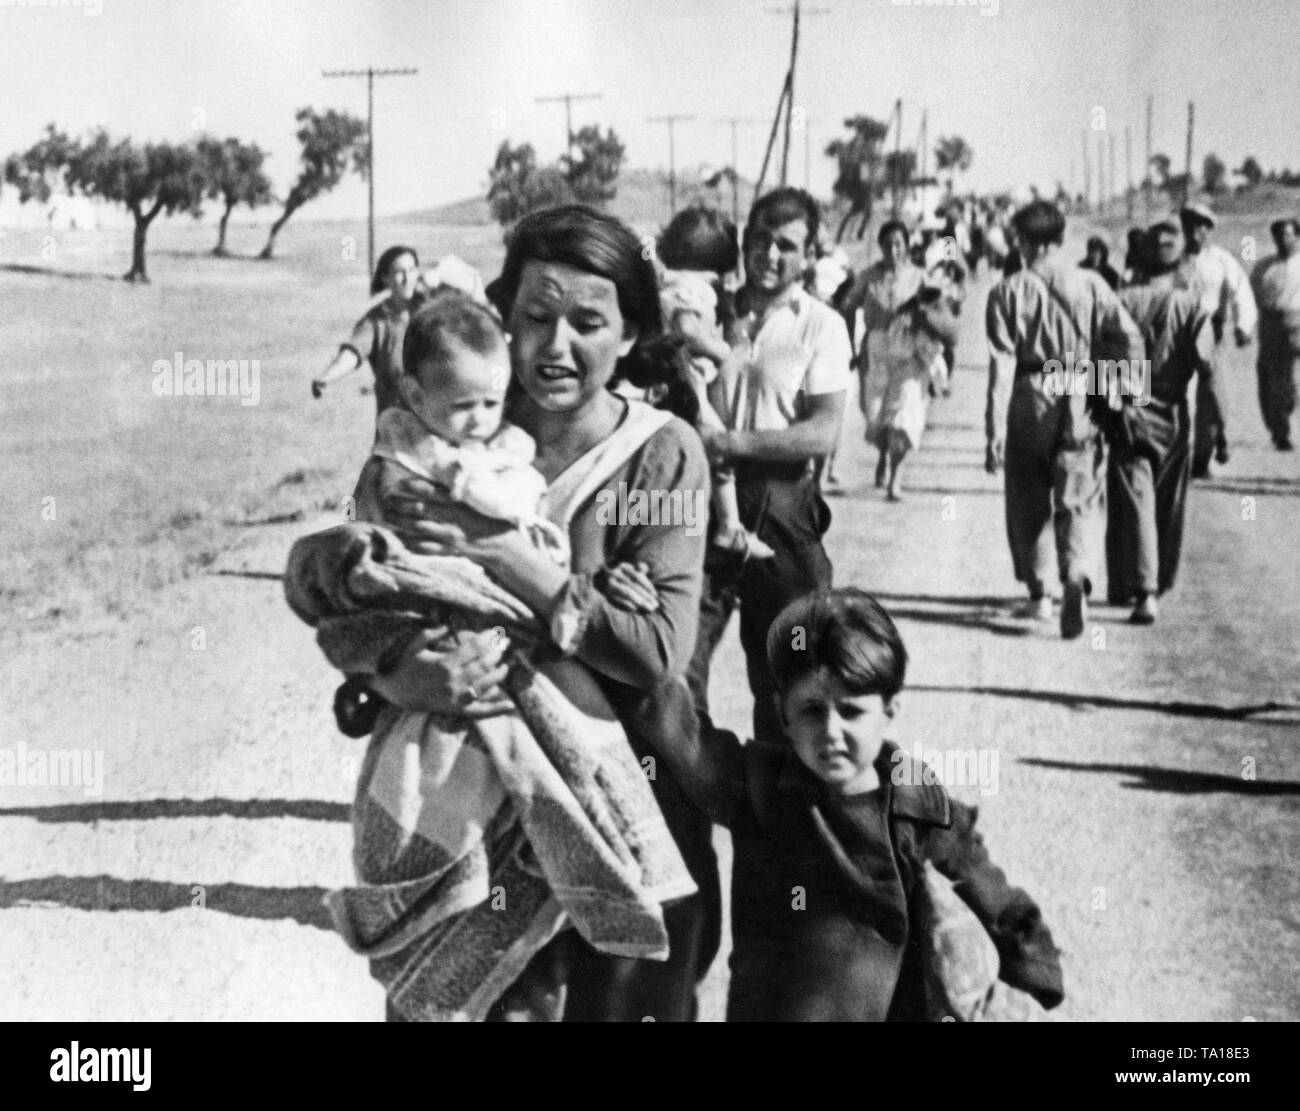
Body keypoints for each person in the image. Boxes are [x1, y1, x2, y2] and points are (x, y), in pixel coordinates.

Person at [316, 205, 721, 1021]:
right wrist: (402, 667)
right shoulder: (438, 441)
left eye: (588, 322)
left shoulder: (662, 453)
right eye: (535, 317)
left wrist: (505, 558)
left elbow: (652, 652)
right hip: (462, 805)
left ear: (633, 331)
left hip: (618, 805)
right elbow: (362, 594)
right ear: (503, 319)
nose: (557, 346)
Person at [653, 588, 1066, 1021]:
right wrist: (665, 614)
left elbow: (998, 904)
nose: (831, 731)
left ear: (890, 710)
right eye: (812, 709)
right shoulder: (759, 788)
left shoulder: (918, 809)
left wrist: (1032, 987)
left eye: (851, 711)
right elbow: (678, 729)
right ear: (783, 714)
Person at [688, 187, 852, 752]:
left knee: (791, 679)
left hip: (782, 509)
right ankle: (695, 816)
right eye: (760, 240)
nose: (771, 255)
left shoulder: (822, 326)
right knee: (674, 676)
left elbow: (823, 430)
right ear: (743, 242)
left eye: (787, 245)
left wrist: (731, 441)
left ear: (808, 255)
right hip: (701, 508)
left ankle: (782, 824)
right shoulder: (707, 311)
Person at [985, 200, 1144, 638]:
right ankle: (1076, 573)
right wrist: (1125, 394)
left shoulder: (1006, 291)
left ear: (1020, 241)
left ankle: (1041, 596)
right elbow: (1127, 336)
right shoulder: (1090, 283)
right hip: (1079, 386)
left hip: (1030, 391)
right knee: (1081, 493)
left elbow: (1001, 363)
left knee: (1028, 494)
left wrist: (993, 430)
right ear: (1059, 240)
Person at [1105, 221, 1216, 624]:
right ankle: (1151, 586)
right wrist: (1215, 429)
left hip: (1129, 412)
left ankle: (1141, 588)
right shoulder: (1193, 306)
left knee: (1136, 500)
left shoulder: (1117, 301)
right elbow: (1209, 370)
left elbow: (1098, 363)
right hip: (1173, 416)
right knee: (1166, 506)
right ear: (1178, 262)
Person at [656, 207, 774, 560]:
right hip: (688, 381)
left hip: (677, 379)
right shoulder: (694, 288)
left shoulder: (671, 283)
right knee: (717, 449)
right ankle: (729, 527)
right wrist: (723, 352)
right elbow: (688, 329)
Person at [848, 220, 959, 500]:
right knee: (875, 416)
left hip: (909, 354)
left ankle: (895, 480)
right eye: (887, 244)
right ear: (881, 246)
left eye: (898, 243)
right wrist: (851, 346)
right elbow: (846, 306)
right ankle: (884, 455)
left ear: (907, 246)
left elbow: (945, 317)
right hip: (876, 352)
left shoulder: (922, 277)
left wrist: (925, 316)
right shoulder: (868, 277)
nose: (893, 249)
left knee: (904, 417)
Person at [1174, 203, 1257, 478]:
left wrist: (1244, 325)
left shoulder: (1222, 260)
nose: (1195, 231)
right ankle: (1184, 456)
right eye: (1189, 225)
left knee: (1213, 399)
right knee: (1178, 397)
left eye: (1201, 225)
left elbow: (1241, 292)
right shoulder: (1175, 260)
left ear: (1209, 229)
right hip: (1178, 335)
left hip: (1212, 334)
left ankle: (1210, 445)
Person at [313, 245, 421, 416]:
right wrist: (327, 377)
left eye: (412, 270)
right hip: (395, 423)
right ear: (386, 278)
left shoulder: (432, 308)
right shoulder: (376, 321)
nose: (407, 278)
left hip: (437, 422)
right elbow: (353, 352)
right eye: (399, 272)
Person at [1250, 217, 1300, 451]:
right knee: (1272, 378)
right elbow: (1252, 298)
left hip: (1298, 321)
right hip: (1272, 324)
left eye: (1289, 235)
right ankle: (1280, 432)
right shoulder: (1263, 267)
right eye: (1279, 236)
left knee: (1291, 383)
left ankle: (1289, 405)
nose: (1284, 240)